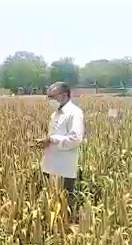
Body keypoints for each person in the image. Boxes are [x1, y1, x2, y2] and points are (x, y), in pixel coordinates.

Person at [35, 82, 85, 217]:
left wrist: (52, 140)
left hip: (64, 169)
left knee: (64, 210)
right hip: (50, 166)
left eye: (52, 96)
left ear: (63, 96)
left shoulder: (74, 113)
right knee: (49, 207)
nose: (50, 100)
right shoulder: (55, 114)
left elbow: (75, 139)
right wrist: (47, 142)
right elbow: (56, 137)